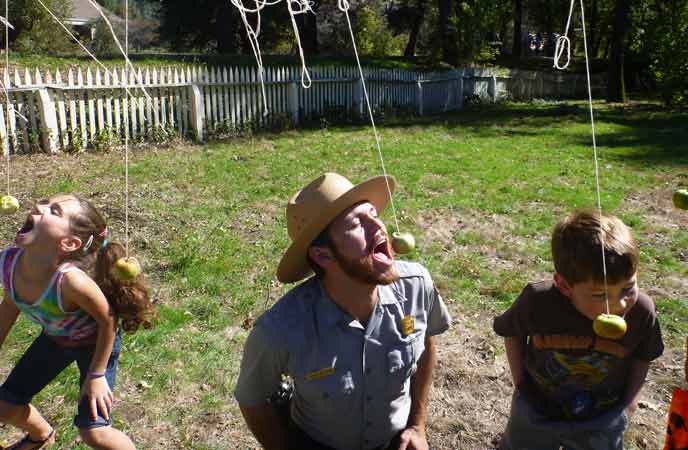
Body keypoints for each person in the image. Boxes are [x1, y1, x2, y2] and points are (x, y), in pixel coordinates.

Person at [234, 172, 451, 450]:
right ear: (323, 255)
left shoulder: (417, 287)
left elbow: (427, 339)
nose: (378, 226)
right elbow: (252, 399)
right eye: (357, 223)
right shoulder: (280, 330)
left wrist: (417, 426)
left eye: (373, 214)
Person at [493, 210, 664, 450]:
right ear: (564, 286)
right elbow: (512, 332)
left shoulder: (642, 312)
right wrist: (521, 383)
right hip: (536, 406)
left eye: (628, 288)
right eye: (600, 294)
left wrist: (629, 403)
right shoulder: (539, 302)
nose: (620, 304)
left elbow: (643, 355)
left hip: (603, 416)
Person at [0, 194, 155, 450]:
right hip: (56, 340)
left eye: (54, 211)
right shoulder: (9, 263)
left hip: (96, 344)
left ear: (69, 243)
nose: (39, 206)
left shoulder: (71, 282)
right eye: (44, 202)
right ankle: (41, 435)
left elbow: (108, 320)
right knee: (4, 406)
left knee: (94, 433)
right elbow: (9, 306)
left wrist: (97, 375)